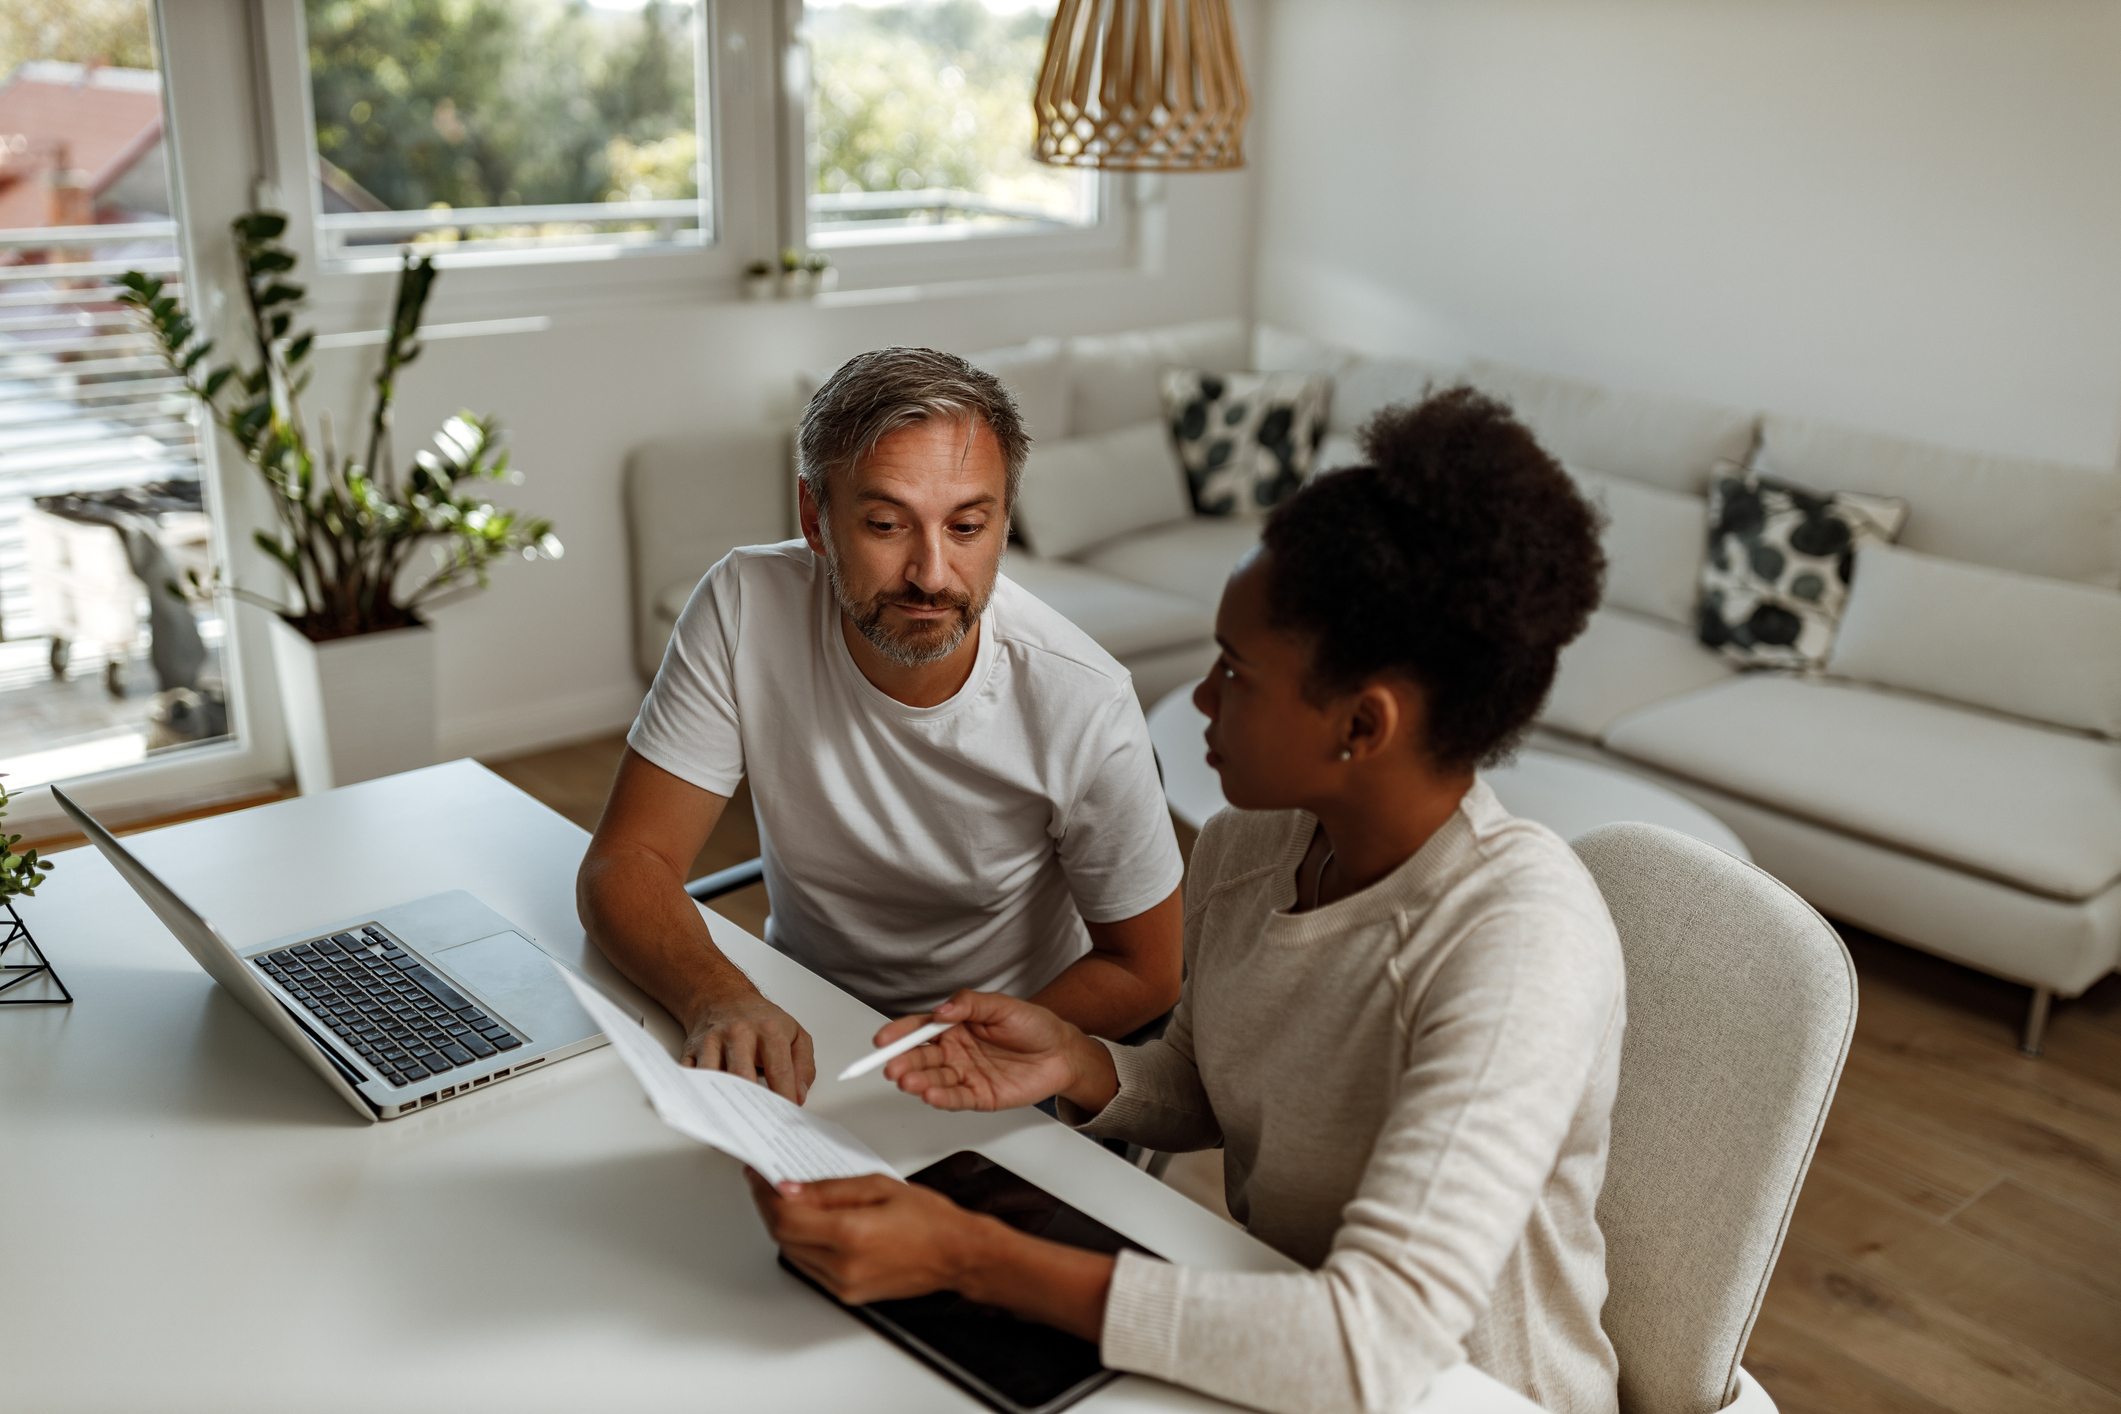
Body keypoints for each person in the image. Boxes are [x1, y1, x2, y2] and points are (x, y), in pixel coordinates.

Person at [745, 388, 1624, 1414]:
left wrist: (970, 1255)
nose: (1201, 697)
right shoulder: (1256, 841)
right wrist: (1077, 1060)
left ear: (1363, 724)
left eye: (1237, 671)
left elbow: (1374, 1350)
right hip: (1262, 1342)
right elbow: (1213, 1082)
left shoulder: (1519, 944)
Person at [579, 347, 1185, 1105]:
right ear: (815, 519)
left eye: (967, 526)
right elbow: (628, 859)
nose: (931, 574)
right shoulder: (743, 603)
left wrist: (965, 1056)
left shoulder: (1083, 700)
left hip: (997, 1063)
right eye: (885, 523)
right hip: (794, 1016)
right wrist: (717, 995)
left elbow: (1146, 968)